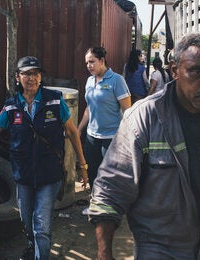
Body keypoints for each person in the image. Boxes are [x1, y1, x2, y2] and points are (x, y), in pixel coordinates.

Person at [88, 31, 200, 259]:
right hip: (157, 251)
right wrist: (104, 255)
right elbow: (110, 191)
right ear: (174, 71)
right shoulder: (144, 118)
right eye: (197, 71)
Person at [0, 56, 88, 260]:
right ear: (17, 77)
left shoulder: (55, 100)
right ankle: (32, 247)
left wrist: (82, 164)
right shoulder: (12, 106)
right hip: (23, 175)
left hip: (49, 174)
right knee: (26, 220)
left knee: (42, 224)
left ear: (41, 77)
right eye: (27, 73)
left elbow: (73, 132)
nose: (32, 78)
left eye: (36, 73)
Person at [78, 47, 131, 215]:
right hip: (92, 135)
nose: (89, 65)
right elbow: (89, 108)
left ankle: (112, 208)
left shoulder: (117, 80)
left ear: (102, 60)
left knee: (110, 174)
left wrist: (126, 136)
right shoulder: (89, 81)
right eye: (87, 62)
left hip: (112, 136)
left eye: (92, 61)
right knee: (93, 171)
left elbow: (127, 111)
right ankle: (96, 205)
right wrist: (79, 129)